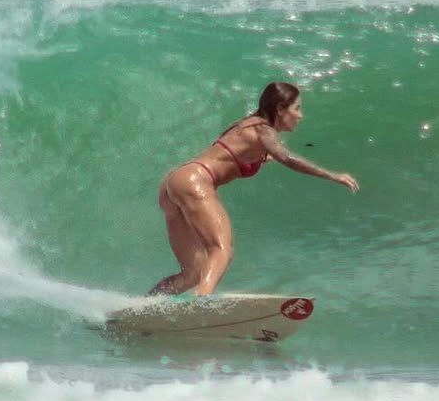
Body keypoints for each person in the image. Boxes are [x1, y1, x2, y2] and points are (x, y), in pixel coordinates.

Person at [149, 82, 359, 296]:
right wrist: (333, 175)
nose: (300, 115)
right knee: (221, 249)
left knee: (193, 274)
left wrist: (261, 158)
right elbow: (287, 158)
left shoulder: (246, 126)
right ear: (280, 109)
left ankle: (146, 306)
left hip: (173, 183)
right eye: (297, 108)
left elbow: (230, 153)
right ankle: (201, 303)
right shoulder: (263, 130)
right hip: (194, 180)